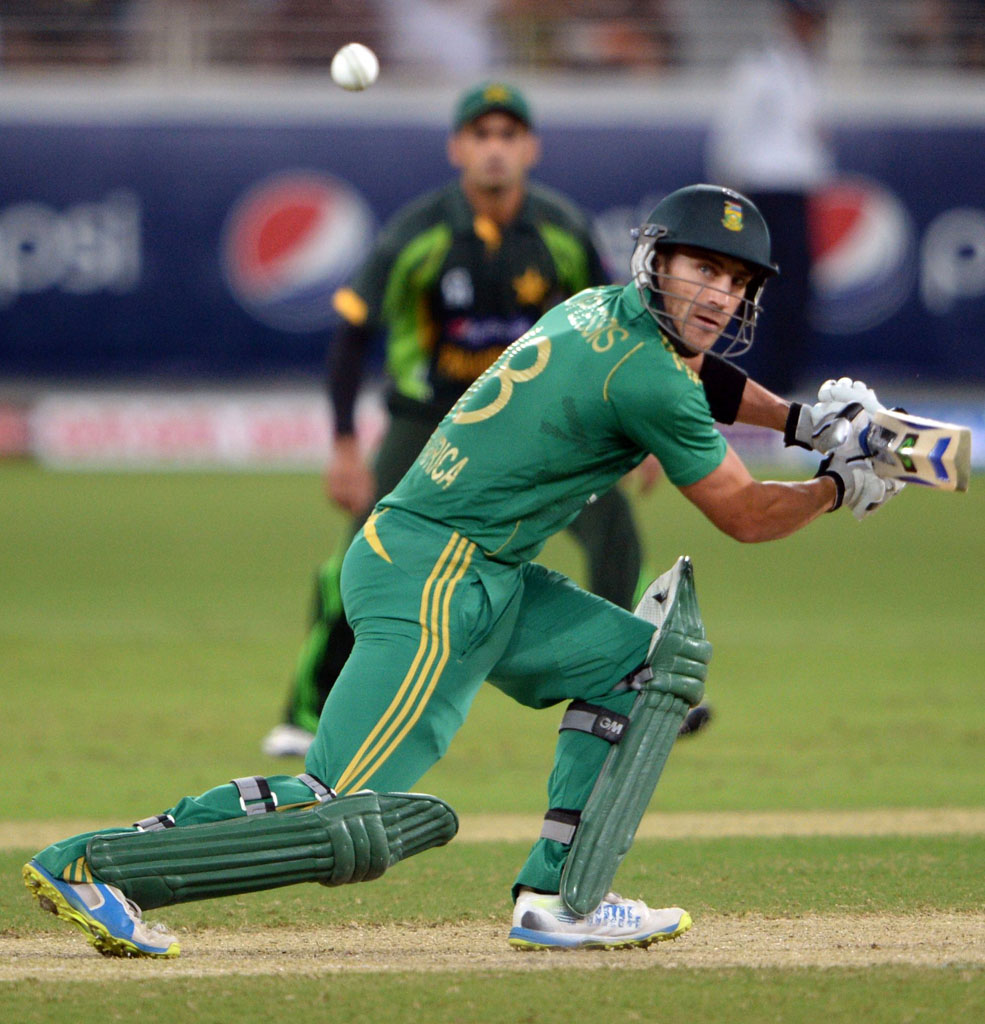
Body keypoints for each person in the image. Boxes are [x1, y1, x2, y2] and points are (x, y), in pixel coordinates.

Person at [23, 183, 903, 958]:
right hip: (432, 574)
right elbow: (744, 515)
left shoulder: (604, 309)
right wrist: (836, 484)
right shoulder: (646, 379)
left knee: (644, 664)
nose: (719, 292)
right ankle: (95, 864)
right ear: (657, 263)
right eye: (701, 269)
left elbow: (697, 376)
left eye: (737, 280)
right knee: (340, 810)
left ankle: (560, 901)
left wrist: (800, 422)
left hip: (487, 572)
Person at [262, 80, 669, 761]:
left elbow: (618, 330)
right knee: (360, 554)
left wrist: (645, 430)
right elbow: (350, 334)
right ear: (458, 148)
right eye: (480, 135)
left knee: (615, 533)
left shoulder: (561, 230)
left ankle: (618, 685)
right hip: (427, 421)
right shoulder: (417, 232)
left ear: (529, 148)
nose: (494, 149)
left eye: (508, 135)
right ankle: (306, 710)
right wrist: (342, 445)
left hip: (535, 423)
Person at [704, 0, 834, 394]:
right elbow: (732, 129)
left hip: (795, 191)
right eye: (806, 18)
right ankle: (761, 379)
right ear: (791, 19)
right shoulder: (759, 66)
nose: (812, 27)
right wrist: (729, 192)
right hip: (766, 191)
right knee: (764, 288)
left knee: (796, 289)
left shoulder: (804, 68)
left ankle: (785, 379)